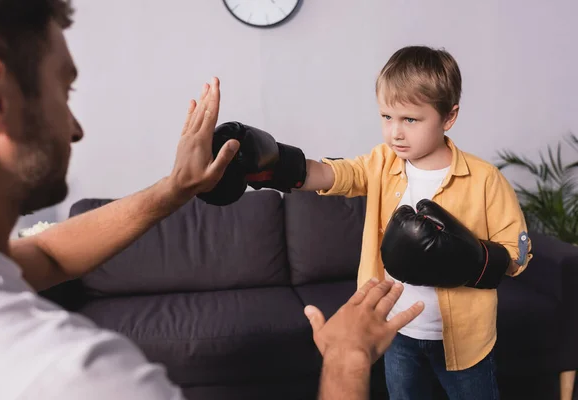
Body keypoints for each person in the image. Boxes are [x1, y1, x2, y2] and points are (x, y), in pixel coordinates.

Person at [0, 1, 424, 399]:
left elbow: (48, 254)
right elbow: (337, 172)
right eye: (65, 90)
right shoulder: (82, 377)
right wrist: (347, 359)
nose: (75, 128)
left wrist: (176, 188)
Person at [199, 46, 533, 399]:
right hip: (395, 333)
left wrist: (469, 258)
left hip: (466, 341)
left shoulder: (485, 179)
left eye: (411, 120)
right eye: (387, 117)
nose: (395, 133)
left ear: (449, 117)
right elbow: (335, 174)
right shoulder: (381, 163)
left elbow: (518, 255)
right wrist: (279, 164)